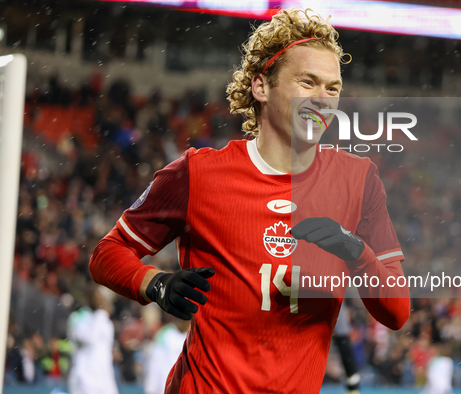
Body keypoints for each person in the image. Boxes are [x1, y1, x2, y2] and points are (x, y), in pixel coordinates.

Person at [89, 8, 410, 393]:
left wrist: (355, 250)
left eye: (333, 88)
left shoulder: (359, 181)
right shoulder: (199, 174)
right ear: (261, 87)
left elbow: (397, 312)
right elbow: (107, 254)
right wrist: (156, 285)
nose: (323, 100)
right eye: (307, 82)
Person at [67, 284, 118, 394]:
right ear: (88, 297)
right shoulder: (78, 317)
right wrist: (102, 312)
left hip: (105, 379)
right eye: (97, 295)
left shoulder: (106, 321)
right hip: (84, 379)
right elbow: (89, 339)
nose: (101, 299)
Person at [144, 316, 189, 394]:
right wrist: (151, 388)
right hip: (165, 385)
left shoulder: (193, 335)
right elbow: (155, 362)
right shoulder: (165, 333)